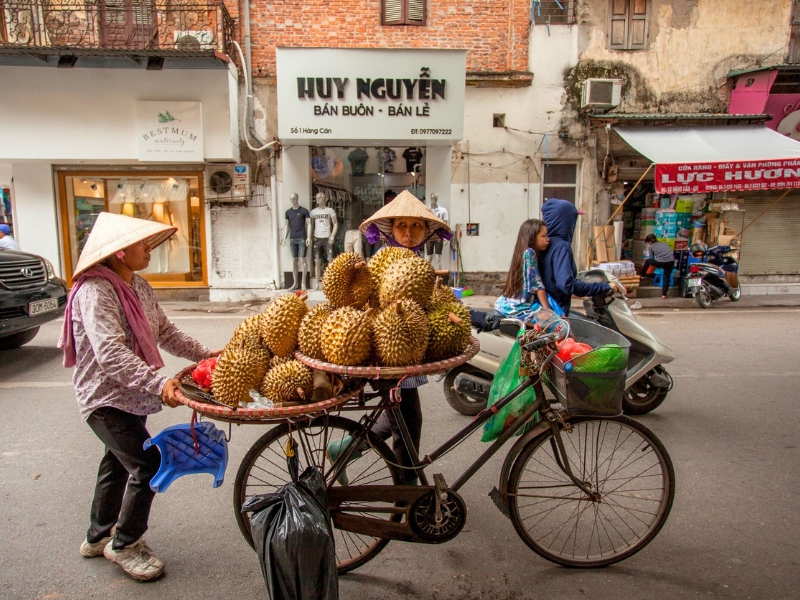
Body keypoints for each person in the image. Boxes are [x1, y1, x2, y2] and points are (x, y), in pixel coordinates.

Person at [58, 212, 221, 582]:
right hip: (104, 398)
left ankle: (98, 537)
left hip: (130, 396)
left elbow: (167, 332)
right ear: (118, 252)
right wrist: (159, 382)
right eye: (141, 243)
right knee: (147, 464)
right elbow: (110, 354)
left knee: (116, 464)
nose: (149, 249)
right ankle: (126, 544)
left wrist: (207, 355)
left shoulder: (139, 285)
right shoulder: (95, 292)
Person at [328, 191, 452, 485]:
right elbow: (370, 307)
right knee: (408, 421)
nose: (409, 233)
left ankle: (344, 448)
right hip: (390, 354)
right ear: (390, 230)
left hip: (408, 349)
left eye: (416, 227)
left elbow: (425, 307)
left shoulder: (418, 260)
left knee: (395, 415)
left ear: (426, 231)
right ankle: (406, 487)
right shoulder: (381, 263)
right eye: (401, 226)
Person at [540, 199, 620, 315]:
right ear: (566, 221)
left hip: (546, 309)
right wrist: (605, 287)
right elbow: (566, 284)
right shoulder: (561, 247)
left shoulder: (546, 244)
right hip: (556, 313)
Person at [495, 219, 552, 319]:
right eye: (543, 236)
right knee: (552, 324)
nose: (547, 239)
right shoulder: (530, 253)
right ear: (531, 238)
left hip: (504, 304)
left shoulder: (521, 251)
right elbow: (537, 283)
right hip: (518, 308)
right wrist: (548, 310)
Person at [282, 193, 311, 290]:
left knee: (303, 259)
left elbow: (309, 224)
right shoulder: (288, 212)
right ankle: (295, 283)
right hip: (292, 238)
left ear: (297, 198)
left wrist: (309, 237)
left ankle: (303, 283)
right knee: (294, 260)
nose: (293, 200)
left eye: (294, 198)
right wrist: (284, 238)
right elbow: (286, 226)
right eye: (291, 198)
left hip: (302, 237)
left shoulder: (304, 211)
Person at [641, 233, 675, 299]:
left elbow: (651, 258)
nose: (648, 244)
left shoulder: (651, 247)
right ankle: (664, 294)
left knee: (648, 261)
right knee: (666, 277)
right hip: (671, 262)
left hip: (661, 262)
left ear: (650, 242)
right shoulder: (664, 244)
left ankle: (642, 275)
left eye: (648, 242)